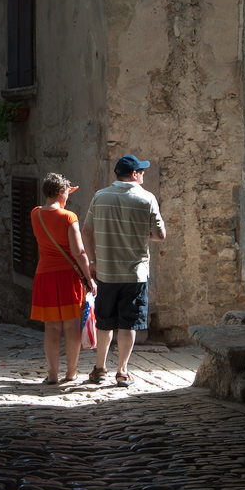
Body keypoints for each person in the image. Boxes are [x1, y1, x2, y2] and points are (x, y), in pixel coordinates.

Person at [81, 154, 166, 387]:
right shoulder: (147, 199)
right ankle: (122, 372)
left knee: (105, 321)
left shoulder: (100, 197)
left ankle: (99, 369)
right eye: (142, 171)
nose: (144, 175)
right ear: (136, 174)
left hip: (106, 272)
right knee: (129, 323)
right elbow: (160, 235)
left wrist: (92, 261)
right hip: (135, 274)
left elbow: (87, 231)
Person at [30, 173, 95, 385]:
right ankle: (71, 373)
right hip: (68, 276)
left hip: (45, 276)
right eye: (66, 192)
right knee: (71, 326)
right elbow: (79, 252)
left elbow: (50, 209)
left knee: (51, 327)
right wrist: (90, 279)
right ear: (60, 193)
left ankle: (52, 374)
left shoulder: (35, 214)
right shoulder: (69, 217)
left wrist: (63, 192)